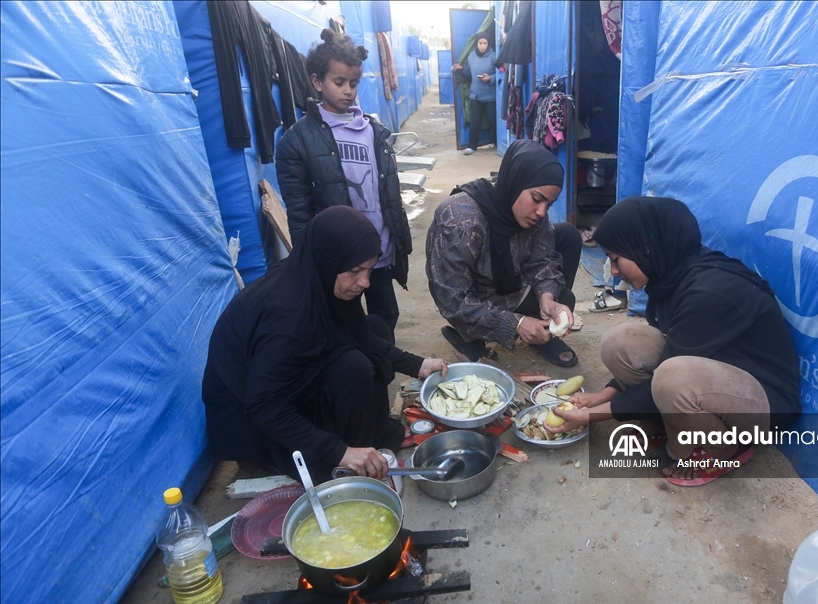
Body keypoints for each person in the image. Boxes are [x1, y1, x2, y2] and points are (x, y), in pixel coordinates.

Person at [550, 197, 801, 485]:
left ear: (644, 248)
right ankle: (668, 424)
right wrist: (603, 396)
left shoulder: (708, 292)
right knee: (620, 342)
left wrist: (589, 416)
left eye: (616, 258)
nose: (614, 270)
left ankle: (723, 448)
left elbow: (665, 372)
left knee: (672, 379)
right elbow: (669, 354)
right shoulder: (671, 273)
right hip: (716, 370)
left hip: (763, 401)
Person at [202, 206, 448, 485]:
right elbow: (264, 408)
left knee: (373, 326)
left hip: (283, 381)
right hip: (250, 422)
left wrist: (418, 365)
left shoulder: (316, 276)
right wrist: (340, 452)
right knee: (351, 367)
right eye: (355, 270)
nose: (365, 282)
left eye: (369, 269)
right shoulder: (288, 318)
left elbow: (359, 334)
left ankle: (367, 434)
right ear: (329, 259)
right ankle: (349, 447)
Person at [276, 28, 411, 333]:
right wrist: (308, 263)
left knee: (384, 317)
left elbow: (388, 195)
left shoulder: (374, 133)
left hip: (378, 249)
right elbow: (299, 213)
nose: (348, 90)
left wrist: (396, 239)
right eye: (339, 82)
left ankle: (381, 374)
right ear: (316, 81)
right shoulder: (297, 142)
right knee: (340, 323)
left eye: (353, 83)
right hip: (337, 257)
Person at [425, 139, 582, 367]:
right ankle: (470, 335)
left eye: (549, 204)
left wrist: (547, 299)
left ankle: (543, 330)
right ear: (515, 182)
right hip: (474, 300)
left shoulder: (533, 212)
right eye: (537, 199)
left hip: (510, 286)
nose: (541, 211)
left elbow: (543, 259)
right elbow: (453, 299)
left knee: (567, 241)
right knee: (472, 314)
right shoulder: (459, 218)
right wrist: (515, 324)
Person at [452, 34, 496, 155]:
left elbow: (501, 74)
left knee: (493, 121)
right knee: (474, 122)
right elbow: (470, 73)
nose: (482, 46)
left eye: (485, 43)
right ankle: (472, 146)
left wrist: (490, 78)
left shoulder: (494, 56)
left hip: (490, 96)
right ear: (477, 44)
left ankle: (497, 144)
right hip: (475, 95)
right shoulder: (471, 56)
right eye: (480, 43)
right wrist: (461, 68)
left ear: (488, 44)